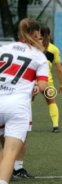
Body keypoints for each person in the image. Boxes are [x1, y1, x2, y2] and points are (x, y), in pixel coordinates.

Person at [0, 18, 48, 184]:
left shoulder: (3, 48)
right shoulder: (39, 56)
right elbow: (42, 86)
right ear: (36, 33)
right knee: (9, 155)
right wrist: (34, 85)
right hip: (17, 107)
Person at [40, 25, 62, 133]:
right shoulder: (54, 49)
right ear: (49, 34)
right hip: (46, 80)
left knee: (27, 101)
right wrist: (61, 83)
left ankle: (25, 125)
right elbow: (59, 69)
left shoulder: (33, 46)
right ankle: (55, 126)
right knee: (51, 102)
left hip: (32, 80)